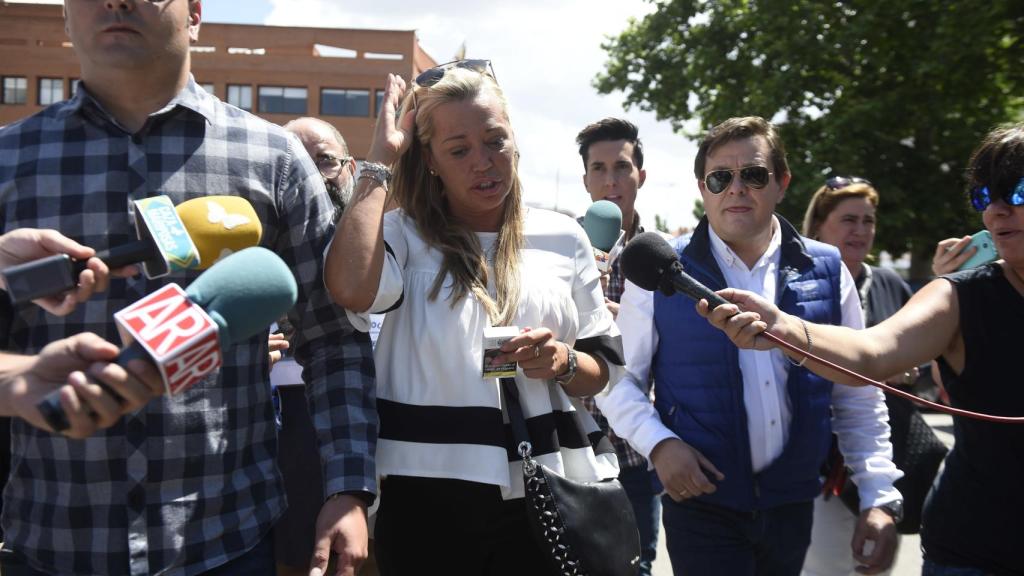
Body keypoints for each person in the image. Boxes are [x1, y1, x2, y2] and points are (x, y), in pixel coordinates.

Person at [0, 1, 376, 575]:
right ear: (65, 16)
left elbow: (332, 341)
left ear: (195, 12)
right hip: (52, 539)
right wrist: (19, 379)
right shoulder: (9, 160)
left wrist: (348, 486)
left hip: (227, 540)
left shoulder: (275, 160)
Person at [325, 62, 626, 575]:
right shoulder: (399, 233)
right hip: (425, 494)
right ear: (433, 161)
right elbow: (350, 288)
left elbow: (606, 366)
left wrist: (560, 360)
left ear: (515, 141)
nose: (483, 163)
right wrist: (381, 158)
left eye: (495, 141)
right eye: (459, 150)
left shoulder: (562, 235)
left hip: (549, 487)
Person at [700, 121, 1024, 576]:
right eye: (982, 197)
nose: (994, 213)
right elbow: (872, 353)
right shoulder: (956, 296)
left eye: (1016, 193)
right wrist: (784, 325)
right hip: (976, 551)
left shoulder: (886, 279)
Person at [599, 116, 902, 576]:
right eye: (721, 177)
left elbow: (857, 391)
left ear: (782, 183)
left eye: (754, 175)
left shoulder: (828, 269)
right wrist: (659, 445)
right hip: (700, 503)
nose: (736, 189)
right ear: (703, 188)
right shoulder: (662, 271)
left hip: (792, 505)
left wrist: (879, 496)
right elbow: (619, 379)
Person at [799, 178, 925, 576]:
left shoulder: (889, 282)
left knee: (873, 568)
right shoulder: (800, 285)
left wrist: (906, 368)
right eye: (848, 219)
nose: (861, 230)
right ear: (818, 225)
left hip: (883, 457)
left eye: (868, 221)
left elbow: (923, 361)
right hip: (824, 469)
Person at [575, 117, 660, 575]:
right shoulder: (556, 248)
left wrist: (624, 323)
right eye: (599, 168)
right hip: (567, 445)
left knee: (636, 567)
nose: (611, 181)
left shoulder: (662, 256)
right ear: (585, 178)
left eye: (622, 167)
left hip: (635, 452)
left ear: (640, 176)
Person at [284, 117, 358, 219]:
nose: (315, 178)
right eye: (295, 166)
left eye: (327, 161)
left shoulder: (379, 229)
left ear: (351, 168)